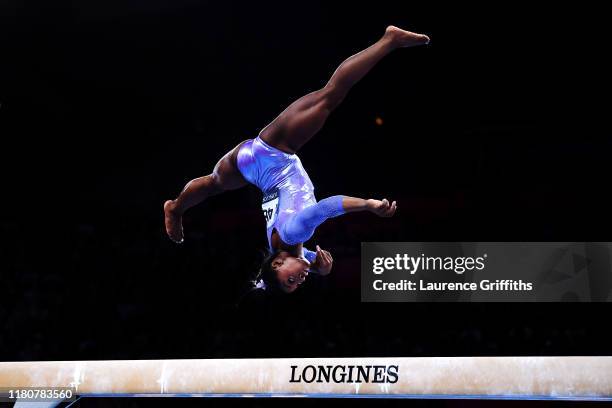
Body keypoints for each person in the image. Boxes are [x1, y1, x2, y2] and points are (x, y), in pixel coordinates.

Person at [164, 26, 430, 293]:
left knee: (331, 95)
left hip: (275, 150)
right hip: (249, 167)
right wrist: (320, 269)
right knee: (213, 184)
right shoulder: (279, 247)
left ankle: (389, 40)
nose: (299, 281)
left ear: (278, 264)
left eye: (290, 280)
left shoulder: (295, 233)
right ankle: (176, 208)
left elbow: (327, 207)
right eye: (296, 285)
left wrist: (368, 205)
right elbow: (304, 260)